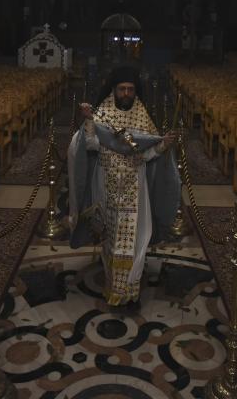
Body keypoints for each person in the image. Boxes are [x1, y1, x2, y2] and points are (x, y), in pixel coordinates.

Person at [68, 66, 180, 306]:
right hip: (106, 185)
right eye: (122, 89)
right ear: (114, 90)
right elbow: (90, 145)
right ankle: (113, 286)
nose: (127, 93)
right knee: (110, 237)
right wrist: (89, 121)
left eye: (130, 89)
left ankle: (130, 290)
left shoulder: (143, 116)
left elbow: (149, 153)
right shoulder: (103, 114)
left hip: (135, 189)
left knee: (136, 238)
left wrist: (163, 144)